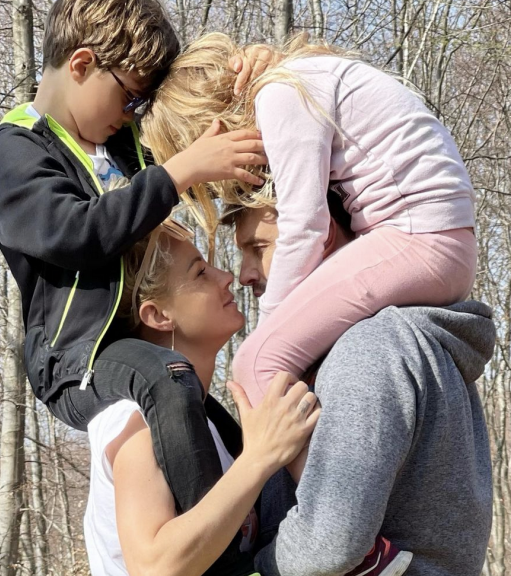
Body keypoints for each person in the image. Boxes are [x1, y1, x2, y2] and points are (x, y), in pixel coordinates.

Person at [0, 5, 276, 574]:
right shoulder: (18, 151)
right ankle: (219, 561)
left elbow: (191, 146)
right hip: (76, 358)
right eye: (131, 96)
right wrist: (176, 173)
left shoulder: (119, 143)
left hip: (129, 347)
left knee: (213, 420)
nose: (134, 113)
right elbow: (79, 234)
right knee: (170, 383)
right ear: (83, 64)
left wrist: (250, 82)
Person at [140, 32, 477, 408]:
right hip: (432, 240)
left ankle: (297, 470)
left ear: (209, 123)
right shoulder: (297, 81)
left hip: (418, 238)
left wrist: (269, 324)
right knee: (297, 362)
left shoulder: (281, 95)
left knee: (256, 365)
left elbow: (305, 226)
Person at [221, 201, 495, 576]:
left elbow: (329, 546)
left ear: (320, 234)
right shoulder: (398, 343)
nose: (244, 274)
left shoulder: (368, 348)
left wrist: (256, 569)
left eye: (259, 248)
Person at [84, 217, 320, 576]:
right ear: (159, 315)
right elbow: (155, 569)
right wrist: (260, 459)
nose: (226, 276)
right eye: (199, 274)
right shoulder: (136, 422)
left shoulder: (204, 422)